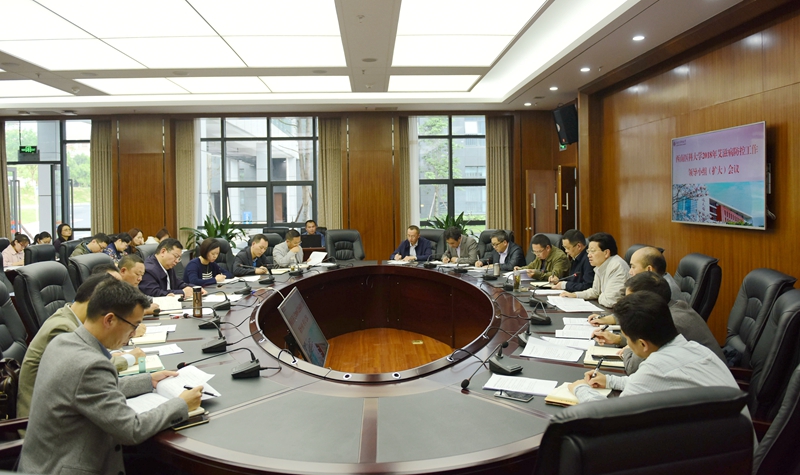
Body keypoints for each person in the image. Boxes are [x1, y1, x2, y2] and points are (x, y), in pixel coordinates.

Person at [18, 279, 203, 475]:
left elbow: (91, 390)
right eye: (133, 325)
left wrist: (148, 381)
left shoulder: (63, 341)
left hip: (44, 462)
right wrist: (181, 404)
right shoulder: (90, 365)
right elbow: (132, 430)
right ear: (109, 320)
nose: (133, 334)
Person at [568, 291, 742, 409]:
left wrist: (580, 388)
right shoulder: (697, 349)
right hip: (738, 445)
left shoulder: (656, 368)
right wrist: (610, 381)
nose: (627, 344)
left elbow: (609, 418)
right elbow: (652, 382)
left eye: (627, 340)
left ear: (643, 344)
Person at [17, 274, 146, 418]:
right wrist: (129, 358)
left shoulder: (69, 318)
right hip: (39, 419)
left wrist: (147, 381)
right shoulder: (62, 329)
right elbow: (91, 373)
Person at [591, 272, 726, 375]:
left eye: (631, 300)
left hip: (713, 390)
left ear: (648, 301)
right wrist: (618, 339)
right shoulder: (676, 306)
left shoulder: (667, 322)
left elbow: (633, 367)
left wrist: (626, 350)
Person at [560, 232, 629, 308]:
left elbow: (610, 301)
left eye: (592, 251)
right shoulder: (600, 265)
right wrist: (575, 295)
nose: (588, 255)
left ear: (606, 253)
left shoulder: (617, 267)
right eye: (588, 251)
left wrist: (599, 295)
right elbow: (595, 291)